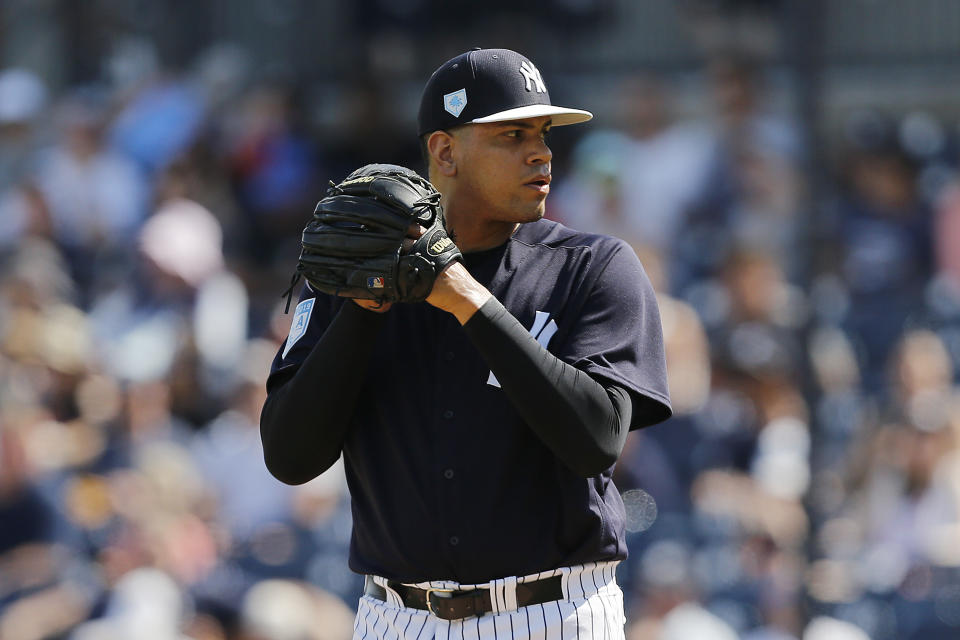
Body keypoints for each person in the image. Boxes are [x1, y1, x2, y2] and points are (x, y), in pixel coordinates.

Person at [260, 48, 672, 639]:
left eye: (543, 133)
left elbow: (596, 439)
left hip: (552, 612)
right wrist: (363, 310)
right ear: (445, 152)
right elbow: (290, 458)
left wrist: (467, 300)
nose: (541, 153)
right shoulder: (354, 281)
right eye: (511, 135)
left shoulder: (592, 267)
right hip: (399, 618)